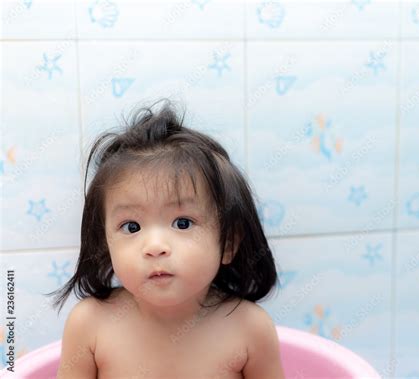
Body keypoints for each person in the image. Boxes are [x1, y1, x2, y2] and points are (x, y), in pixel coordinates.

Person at [47, 98, 285, 378]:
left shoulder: (249, 329)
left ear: (228, 244)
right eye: (131, 227)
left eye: (182, 223)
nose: (155, 247)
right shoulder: (90, 325)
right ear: (104, 245)